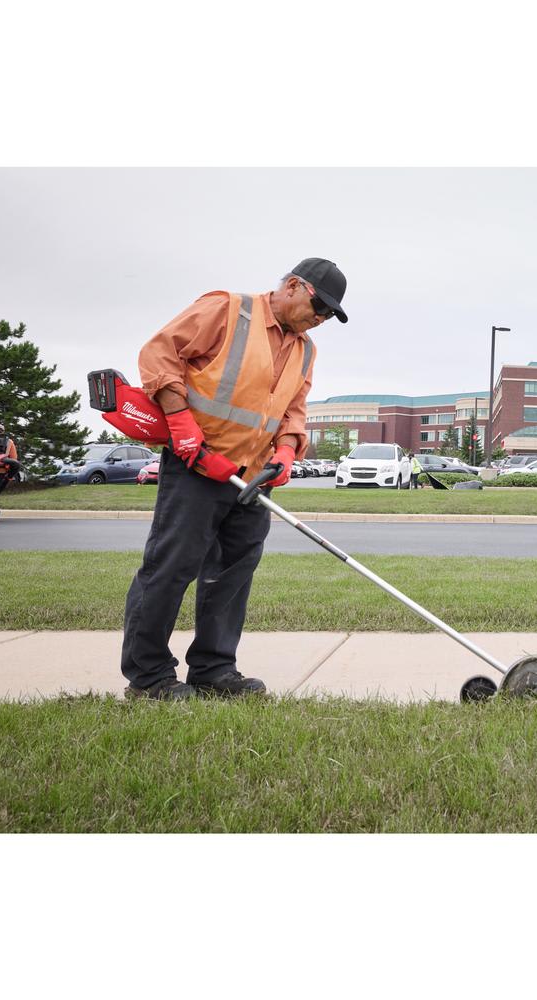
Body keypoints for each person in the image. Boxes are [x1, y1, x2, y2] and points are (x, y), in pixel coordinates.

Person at [121, 258, 348, 701]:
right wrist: (180, 421)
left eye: (329, 315)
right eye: (319, 306)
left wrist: (286, 449)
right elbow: (159, 353)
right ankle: (148, 676)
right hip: (196, 464)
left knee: (232, 574)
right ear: (293, 286)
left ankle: (213, 669)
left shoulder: (305, 350)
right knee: (171, 567)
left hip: (253, 476)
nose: (320, 318)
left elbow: (294, 409)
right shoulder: (227, 310)